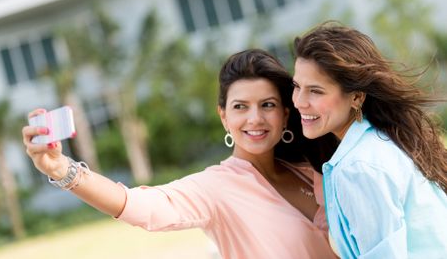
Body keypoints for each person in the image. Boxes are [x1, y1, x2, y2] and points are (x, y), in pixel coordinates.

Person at [22, 49, 339, 259]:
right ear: (223, 117)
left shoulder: (311, 169)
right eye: (240, 107)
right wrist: (63, 170)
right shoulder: (216, 188)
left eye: (267, 105)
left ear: (285, 114)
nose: (254, 118)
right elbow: (140, 206)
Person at [292, 22, 447, 258]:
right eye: (297, 86)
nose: (300, 102)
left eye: (316, 91)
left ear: (356, 97)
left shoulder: (358, 167)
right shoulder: (383, 141)